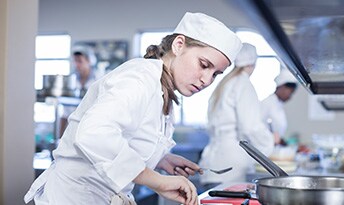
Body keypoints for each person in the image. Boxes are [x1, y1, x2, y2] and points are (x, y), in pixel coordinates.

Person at [24, 12, 242, 205]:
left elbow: (127, 136)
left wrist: (162, 160)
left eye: (215, 74)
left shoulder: (161, 86)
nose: (206, 79)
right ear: (178, 45)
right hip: (72, 196)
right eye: (204, 65)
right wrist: (157, 181)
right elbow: (94, 134)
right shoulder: (139, 78)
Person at [198, 43, 274, 188]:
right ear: (253, 62)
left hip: (212, 163)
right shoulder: (243, 84)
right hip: (230, 166)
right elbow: (250, 127)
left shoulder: (225, 84)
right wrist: (269, 141)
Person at [59, 45, 98, 138]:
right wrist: (60, 136)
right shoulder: (71, 81)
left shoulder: (98, 79)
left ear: (89, 61)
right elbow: (65, 113)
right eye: (75, 61)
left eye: (80, 61)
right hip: (72, 127)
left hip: (91, 127)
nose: (77, 64)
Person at [260, 68, 298, 145]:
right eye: (290, 92)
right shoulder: (267, 103)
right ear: (281, 87)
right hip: (264, 146)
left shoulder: (278, 104)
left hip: (272, 147)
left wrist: (282, 141)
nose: (290, 96)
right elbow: (258, 128)